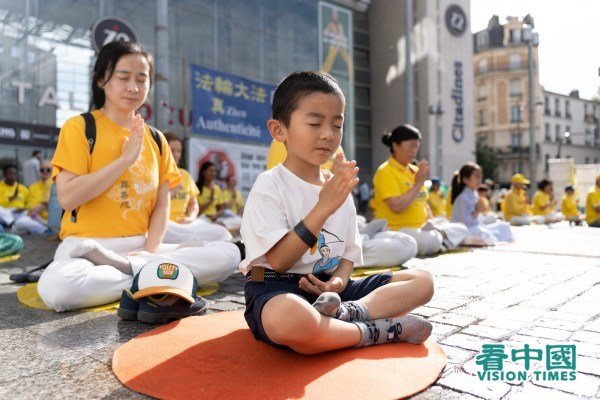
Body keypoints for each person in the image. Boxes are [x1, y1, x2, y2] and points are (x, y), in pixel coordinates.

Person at [37, 41, 240, 312]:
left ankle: (137, 270)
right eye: (123, 77)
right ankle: (157, 276)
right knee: (59, 288)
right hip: (87, 248)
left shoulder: (156, 138)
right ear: (101, 80)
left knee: (228, 253)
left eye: (142, 79)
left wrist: (152, 249)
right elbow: (68, 197)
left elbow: (162, 203)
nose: (133, 87)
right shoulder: (80, 128)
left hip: (140, 246)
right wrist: (124, 160)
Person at [240, 71, 433, 354]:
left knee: (422, 281)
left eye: (337, 125)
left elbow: (347, 255)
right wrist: (323, 206)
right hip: (275, 287)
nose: (328, 135)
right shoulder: (270, 184)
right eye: (314, 123)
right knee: (289, 318)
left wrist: (338, 282)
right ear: (279, 130)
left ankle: (348, 315)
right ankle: (376, 331)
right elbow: (279, 261)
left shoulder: (338, 184)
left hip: (333, 293)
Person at [372, 124, 468, 256]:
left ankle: (441, 237)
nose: (414, 150)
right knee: (430, 240)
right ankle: (443, 239)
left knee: (461, 228)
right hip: (399, 229)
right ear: (395, 145)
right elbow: (397, 206)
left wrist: (432, 222)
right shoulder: (385, 171)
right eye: (411, 146)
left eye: (416, 146)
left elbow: (424, 203)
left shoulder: (415, 171)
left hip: (423, 226)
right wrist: (418, 184)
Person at [162, 132, 231, 243]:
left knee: (222, 232)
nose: (176, 154)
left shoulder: (185, 175)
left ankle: (192, 241)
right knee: (165, 229)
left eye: (178, 151)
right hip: (166, 224)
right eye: (172, 150)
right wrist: (172, 191)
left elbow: (193, 205)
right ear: (163, 151)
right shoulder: (156, 174)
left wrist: (190, 218)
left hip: (186, 225)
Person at [450, 163, 512, 244]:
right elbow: (464, 224)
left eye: (480, 176)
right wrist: (477, 210)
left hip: (476, 227)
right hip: (465, 230)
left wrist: (481, 214)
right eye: (476, 176)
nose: (480, 179)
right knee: (484, 234)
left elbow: (478, 220)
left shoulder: (474, 194)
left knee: (504, 226)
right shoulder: (462, 198)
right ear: (466, 180)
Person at [12, 160, 53, 235]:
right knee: (21, 222)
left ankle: (44, 231)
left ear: (53, 171)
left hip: (53, 221)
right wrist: (46, 203)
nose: (45, 172)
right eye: (42, 170)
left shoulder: (56, 186)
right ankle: (44, 231)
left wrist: (44, 204)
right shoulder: (32, 187)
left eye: (48, 169)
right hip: (36, 220)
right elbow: (32, 210)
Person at [0, 164, 29, 229]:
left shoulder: (23, 188)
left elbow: (28, 203)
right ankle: (12, 223)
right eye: (9, 174)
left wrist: (24, 208)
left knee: (27, 214)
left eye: (14, 174)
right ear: (4, 174)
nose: (12, 176)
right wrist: (13, 197)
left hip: (19, 213)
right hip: (5, 213)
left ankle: (14, 225)